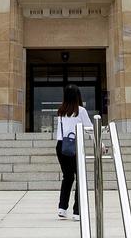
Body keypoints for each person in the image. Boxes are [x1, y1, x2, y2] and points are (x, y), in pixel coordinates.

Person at [54, 84, 93, 221]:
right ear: (78, 96)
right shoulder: (80, 111)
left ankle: (62, 208)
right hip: (74, 146)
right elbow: (90, 129)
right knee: (80, 177)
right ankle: (77, 212)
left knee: (68, 177)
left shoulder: (60, 111)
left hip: (61, 146)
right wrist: (100, 144)